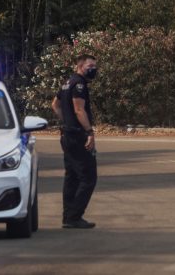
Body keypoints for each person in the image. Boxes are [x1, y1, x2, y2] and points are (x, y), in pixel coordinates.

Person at [52, 53, 99, 229]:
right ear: (80, 66)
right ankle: (74, 216)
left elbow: (54, 105)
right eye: (90, 66)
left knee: (71, 177)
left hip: (67, 135)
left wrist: (66, 121)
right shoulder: (79, 84)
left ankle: (68, 217)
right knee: (88, 178)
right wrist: (89, 132)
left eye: (94, 66)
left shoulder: (67, 83)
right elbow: (79, 110)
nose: (93, 69)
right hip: (77, 136)